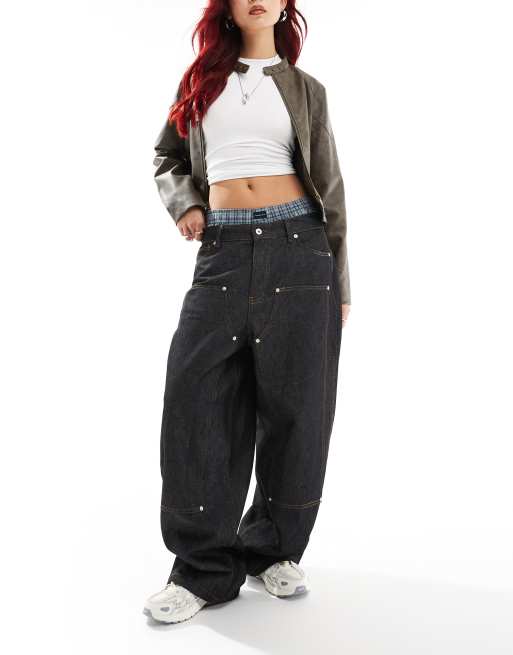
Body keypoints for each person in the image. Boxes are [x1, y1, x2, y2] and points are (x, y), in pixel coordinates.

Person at [144, 0, 351, 624]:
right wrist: (186, 203)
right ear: (227, 9)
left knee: (297, 407)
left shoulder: (307, 90)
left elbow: (330, 187)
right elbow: (167, 156)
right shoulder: (199, 82)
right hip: (224, 250)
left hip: (300, 248)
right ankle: (202, 569)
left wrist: (340, 283)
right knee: (196, 399)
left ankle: (274, 550)